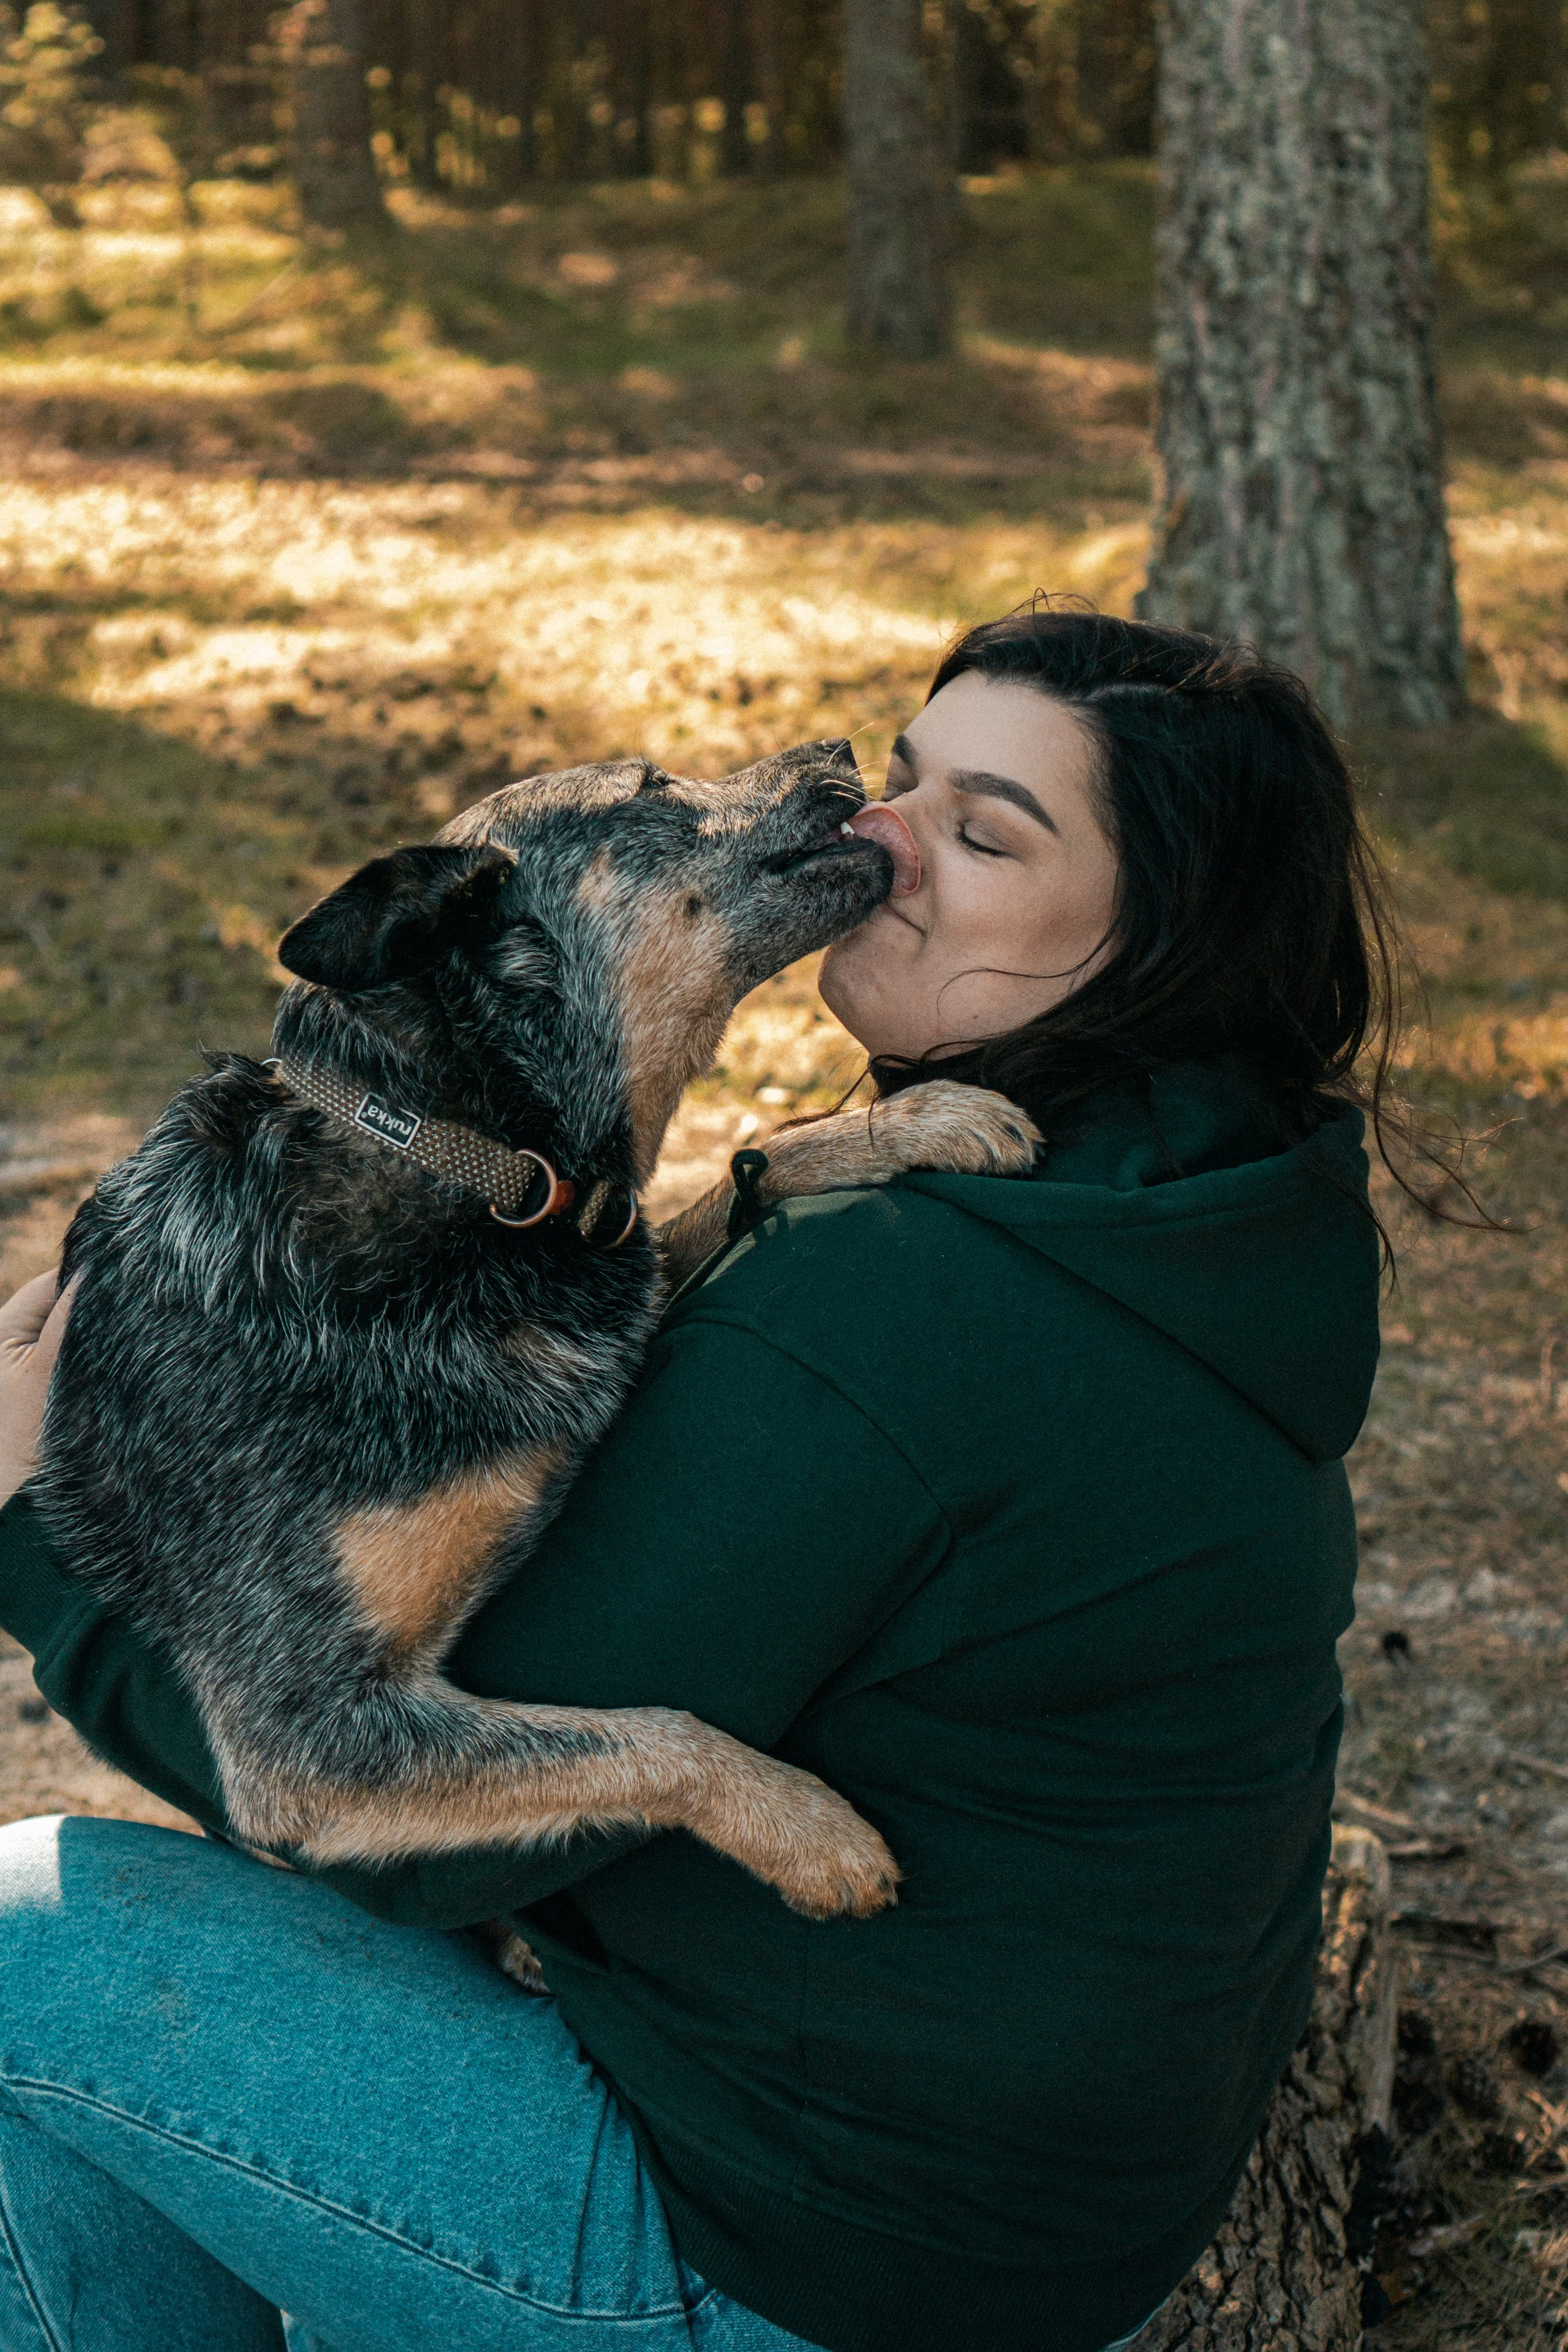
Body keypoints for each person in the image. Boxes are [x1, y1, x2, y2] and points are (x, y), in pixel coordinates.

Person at [0, 608, 1387, 2352]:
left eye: (983, 835)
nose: (881, 833)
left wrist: (27, 1529)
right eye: (908, 779)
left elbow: (376, 1820)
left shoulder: (888, 1323)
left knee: (18, 1958)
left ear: (1159, 943)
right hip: (1028, 2210)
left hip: (805, 2266)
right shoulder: (1174, 1213)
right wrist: (782, 1174)